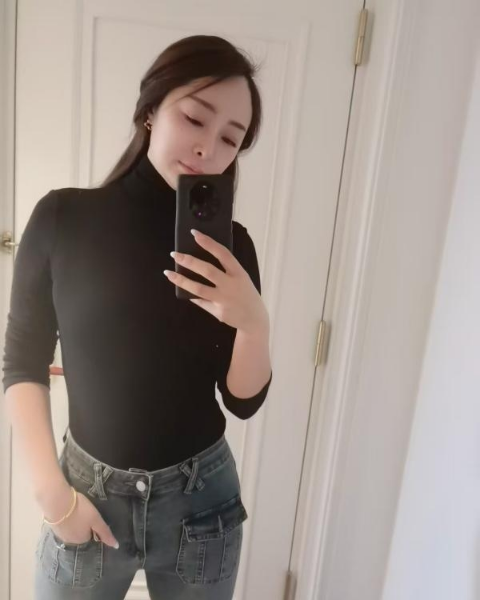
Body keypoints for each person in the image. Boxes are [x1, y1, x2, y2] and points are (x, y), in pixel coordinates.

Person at [2, 35, 273, 599]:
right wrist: (52, 496)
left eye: (231, 138)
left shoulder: (232, 248)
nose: (208, 148)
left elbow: (243, 400)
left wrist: (254, 323)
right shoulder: (63, 219)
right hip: (86, 495)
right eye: (195, 118)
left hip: (202, 505)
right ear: (151, 109)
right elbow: (22, 359)